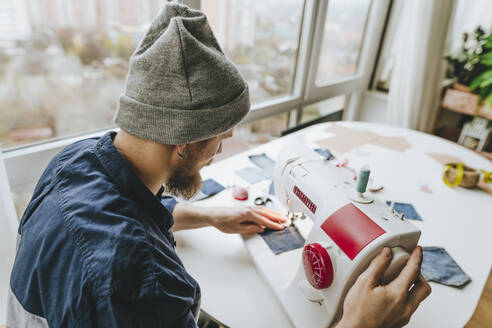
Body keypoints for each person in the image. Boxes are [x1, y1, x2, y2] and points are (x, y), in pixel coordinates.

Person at [7, 3, 430, 327]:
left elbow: (120, 211)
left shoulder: (75, 161)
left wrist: (211, 215)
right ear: (185, 144)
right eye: (221, 139)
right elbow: (124, 259)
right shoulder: (140, 279)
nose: (222, 152)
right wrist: (358, 324)